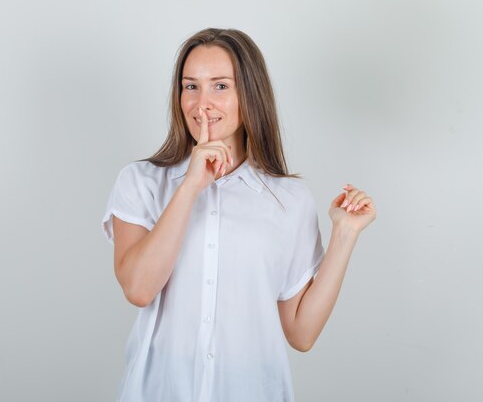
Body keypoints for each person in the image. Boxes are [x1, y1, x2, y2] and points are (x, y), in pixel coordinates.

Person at [101, 27, 376, 402]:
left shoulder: (288, 199)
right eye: (190, 86)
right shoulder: (142, 182)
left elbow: (301, 333)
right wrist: (190, 187)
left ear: (250, 94)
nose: (202, 103)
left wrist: (344, 235)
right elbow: (138, 288)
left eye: (220, 86)